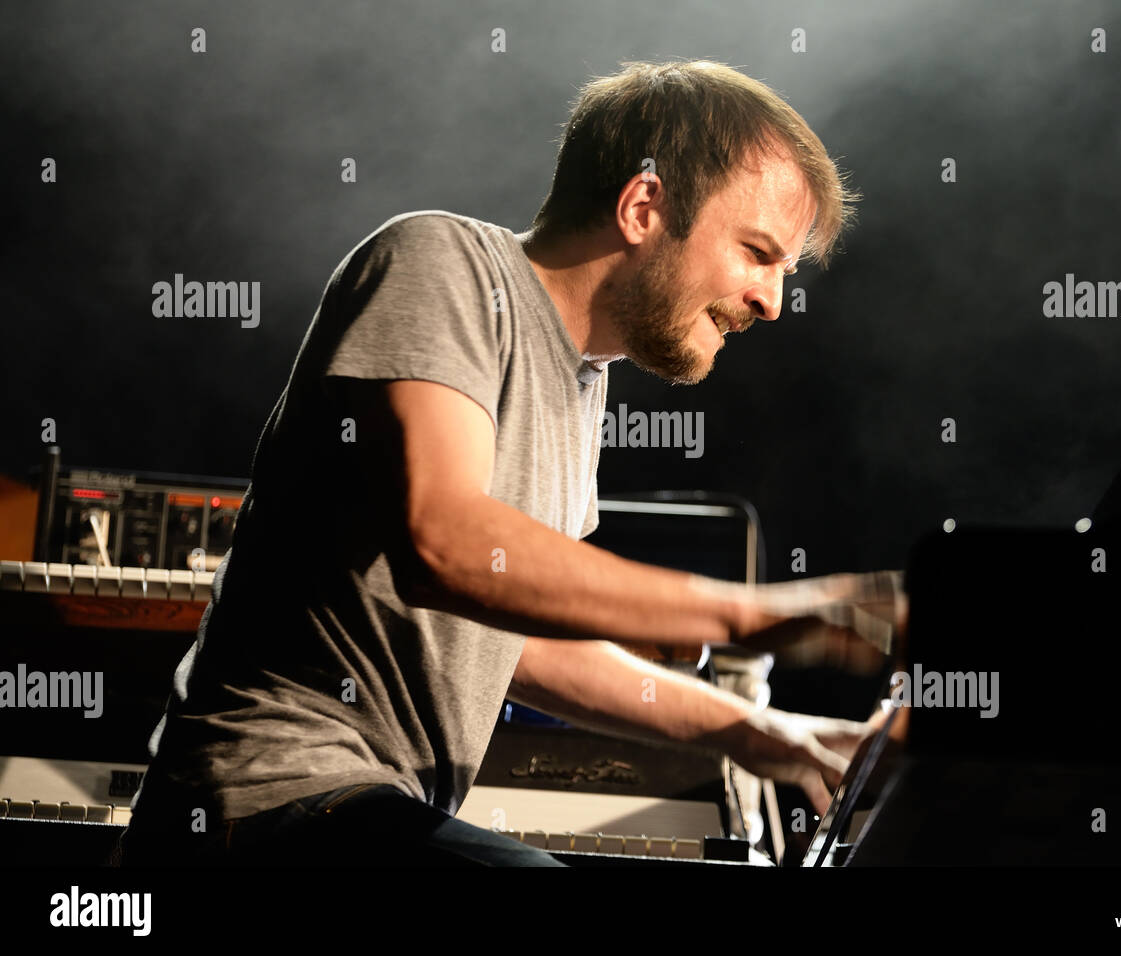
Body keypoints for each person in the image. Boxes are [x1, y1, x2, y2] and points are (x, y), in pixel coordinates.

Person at [116, 59, 901, 867]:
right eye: (757, 252)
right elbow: (447, 542)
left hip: (365, 810)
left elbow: (514, 644)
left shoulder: (582, 386)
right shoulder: (439, 262)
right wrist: (772, 613)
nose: (773, 300)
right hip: (255, 805)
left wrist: (758, 731)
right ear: (642, 207)